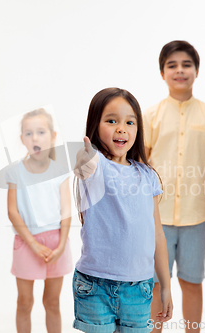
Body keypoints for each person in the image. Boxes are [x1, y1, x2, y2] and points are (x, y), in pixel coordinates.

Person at [143, 40, 205, 332]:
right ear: (162, 73)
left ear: (196, 71)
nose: (179, 71)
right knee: (157, 283)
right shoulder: (151, 116)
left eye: (186, 65)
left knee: (192, 281)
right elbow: (139, 169)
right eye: (172, 65)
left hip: (197, 216)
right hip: (157, 217)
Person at [72, 87, 173, 333]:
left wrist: (166, 286)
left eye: (130, 122)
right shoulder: (96, 167)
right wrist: (85, 160)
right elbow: (87, 166)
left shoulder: (147, 176)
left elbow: (157, 234)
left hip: (138, 287)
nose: (121, 128)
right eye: (111, 121)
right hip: (95, 285)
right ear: (95, 126)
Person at [6, 108, 72, 333]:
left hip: (56, 243)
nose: (35, 138)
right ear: (22, 139)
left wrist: (62, 245)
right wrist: (33, 244)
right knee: (24, 302)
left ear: (53, 136)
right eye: (29, 133)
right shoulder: (15, 171)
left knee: (52, 302)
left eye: (41, 132)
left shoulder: (61, 171)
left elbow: (66, 211)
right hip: (26, 242)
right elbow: (13, 212)